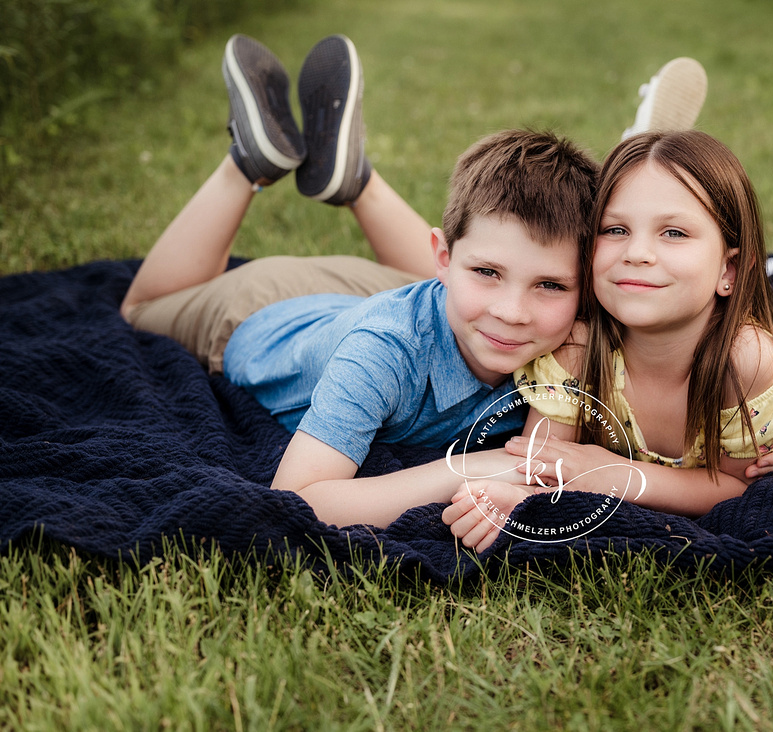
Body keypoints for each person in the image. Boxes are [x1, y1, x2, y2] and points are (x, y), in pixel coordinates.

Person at [120, 34, 600, 528]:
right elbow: (297, 501)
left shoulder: (570, 333)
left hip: (363, 290)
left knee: (475, 289)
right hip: (257, 309)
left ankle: (352, 177)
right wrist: (469, 468)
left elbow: (540, 466)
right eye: (488, 272)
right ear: (441, 256)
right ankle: (248, 162)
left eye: (551, 285)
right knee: (139, 309)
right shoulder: (384, 352)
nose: (513, 311)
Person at [443, 129, 773, 552]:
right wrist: (524, 499)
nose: (637, 252)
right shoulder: (574, 346)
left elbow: (735, 487)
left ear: (730, 270)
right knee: (472, 266)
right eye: (615, 229)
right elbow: (540, 465)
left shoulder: (746, 363)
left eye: (673, 233)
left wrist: (617, 475)